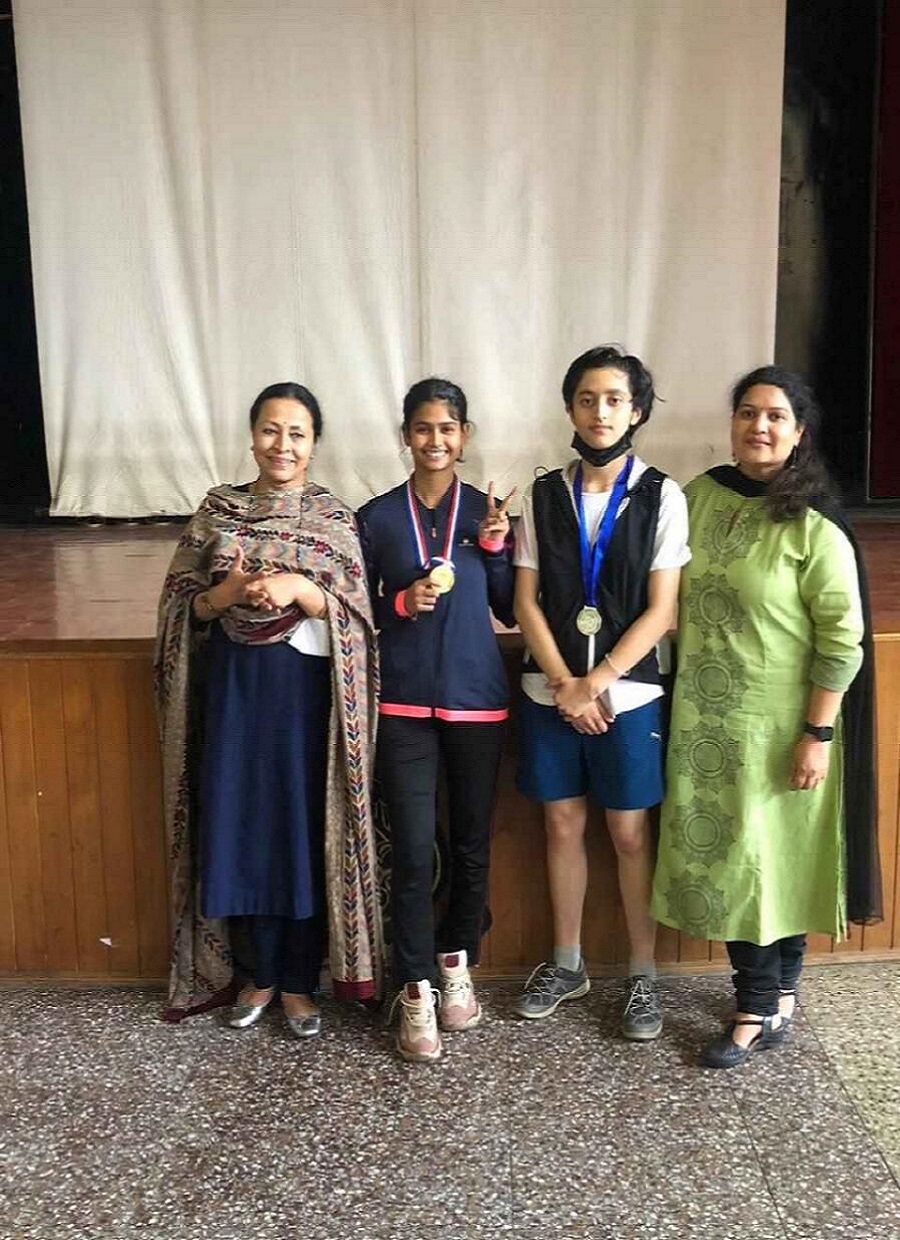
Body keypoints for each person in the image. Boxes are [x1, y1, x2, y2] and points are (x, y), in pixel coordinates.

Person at [651, 366, 880, 1068]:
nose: (759, 427)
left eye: (776, 416)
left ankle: (755, 1005)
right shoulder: (700, 497)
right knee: (744, 861)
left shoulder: (814, 527)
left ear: (799, 432)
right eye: (748, 413)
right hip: (705, 725)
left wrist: (817, 733)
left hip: (782, 726)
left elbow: (844, 638)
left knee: (765, 861)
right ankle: (778, 993)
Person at [155, 381, 382, 1036]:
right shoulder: (218, 512)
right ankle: (254, 973)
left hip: (302, 700)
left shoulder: (334, 521)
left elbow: (358, 621)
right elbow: (181, 606)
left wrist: (304, 591)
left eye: (297, 433)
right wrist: (224, 593)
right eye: (271, 430)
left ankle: (299, 981)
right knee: (239, 825)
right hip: (233, 695)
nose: (282, 444)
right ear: (252, 434)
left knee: (298, 827)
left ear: (314, 443)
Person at [512, 345, 690, 1039]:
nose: (600, 411)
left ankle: (643, 975)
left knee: (626, 832)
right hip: (550, 691)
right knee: (560, 824)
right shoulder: (541, 494)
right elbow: (526, 602)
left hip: (629, 696)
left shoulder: (661, 496)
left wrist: (598, 682)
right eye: (588, 398)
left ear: (636, 410)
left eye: (615, 399)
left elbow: (661, 610)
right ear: (570, 409)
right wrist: (565, 685)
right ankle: (567, 962)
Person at [357, 377, 515, 1063]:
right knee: (416, 850)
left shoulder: (487, 514)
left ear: (465, 436)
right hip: (402, 708)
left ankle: (457, 962)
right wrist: (399, 605)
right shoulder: (377, 517)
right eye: (423, 428)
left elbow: (508, 608)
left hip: (478, 700)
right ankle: (413, 986)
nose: (435, 440)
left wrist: (500, 549)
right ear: (405, 436)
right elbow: (359, 612)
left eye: (448, 428)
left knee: (473, 846)